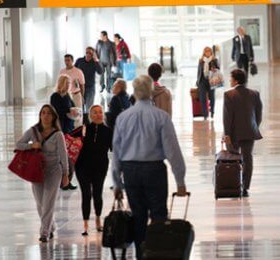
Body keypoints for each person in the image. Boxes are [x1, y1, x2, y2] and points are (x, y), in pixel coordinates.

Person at [111, 75, 187, 258]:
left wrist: (116, 183)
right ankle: (158, 254)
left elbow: (117, 152)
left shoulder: (123, 118)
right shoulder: (161, 117)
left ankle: (140, 254)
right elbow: (172, 151)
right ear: (151, 91)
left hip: (130, 171)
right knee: (159, 214)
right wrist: (180, 181)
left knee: (137, 215)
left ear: (134, 92)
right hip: (154, 170)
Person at [16, 105, 69, 242]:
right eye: (43, 113)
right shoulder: (33, 131)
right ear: (40, 115)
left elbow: (63, 155)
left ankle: (44, 231)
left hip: (53, 171)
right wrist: (31, 146)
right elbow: (18, 145)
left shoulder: (58, 134)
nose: (45, 116)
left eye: (49, 114)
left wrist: (65, 174)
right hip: (37, 170)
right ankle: (51, 226)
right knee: (40, 203)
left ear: (53, 117)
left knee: (48, 202)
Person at [223, 69, 263, 197]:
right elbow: (259, 115)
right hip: (249, 131)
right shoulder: (254, 94)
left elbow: (227, 117)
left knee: (233, 159)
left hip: (234, 133)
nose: (229, 80)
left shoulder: (229, 95)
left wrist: (227, 135)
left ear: (235, 80)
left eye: (231, 78)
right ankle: (245, 187)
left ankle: (233, 185)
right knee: (248, 158)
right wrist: (254, 126)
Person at [75, 105, 111, 236]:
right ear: (90, 115)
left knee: (97, 193)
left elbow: (115, 148)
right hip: (82, 166)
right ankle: (85, 224)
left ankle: (97, 219)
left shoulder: (108, 131)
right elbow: (70, 142)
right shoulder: (83, 129)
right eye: (95, 113)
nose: (98, 115)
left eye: (100, 112)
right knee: (86, 194)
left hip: (100, 166)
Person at [50, 75, 78, 191]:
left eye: (69, 83)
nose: (69, 85)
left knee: (69, 156)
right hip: (60, 128)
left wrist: (74, 111)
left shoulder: (67, 95)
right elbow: (57, 111)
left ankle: (66, 180)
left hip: (68, 127)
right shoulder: (55, 96)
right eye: (67, 83)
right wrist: (69, 110)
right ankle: (64, 181)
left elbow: (72, 107)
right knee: (64, 156)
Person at [75, 47, 104, 117]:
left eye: (90, 53)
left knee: (89, 108)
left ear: (93, 54)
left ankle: (88, 123)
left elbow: (100, 71)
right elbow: (74, 70)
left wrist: (96, 61)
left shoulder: (94, 62)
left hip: (90, 88)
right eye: (87, 52)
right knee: (80, 107)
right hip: (80, 88)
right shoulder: (79, 60)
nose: (88, 54)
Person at [197, 47, 218, 120]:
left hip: (211, 80)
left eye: (209, 51)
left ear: (211, 52)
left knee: (212, 97)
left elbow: (218, 70)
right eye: (206, 51)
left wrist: (214, 69)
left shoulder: (214, 60)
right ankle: (205, 114)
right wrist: (197, 81)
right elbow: (199, 71)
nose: (207, 53)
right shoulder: (201, 60)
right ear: (204, 53)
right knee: (202, 97)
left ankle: (212, 112)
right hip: (202, 80)